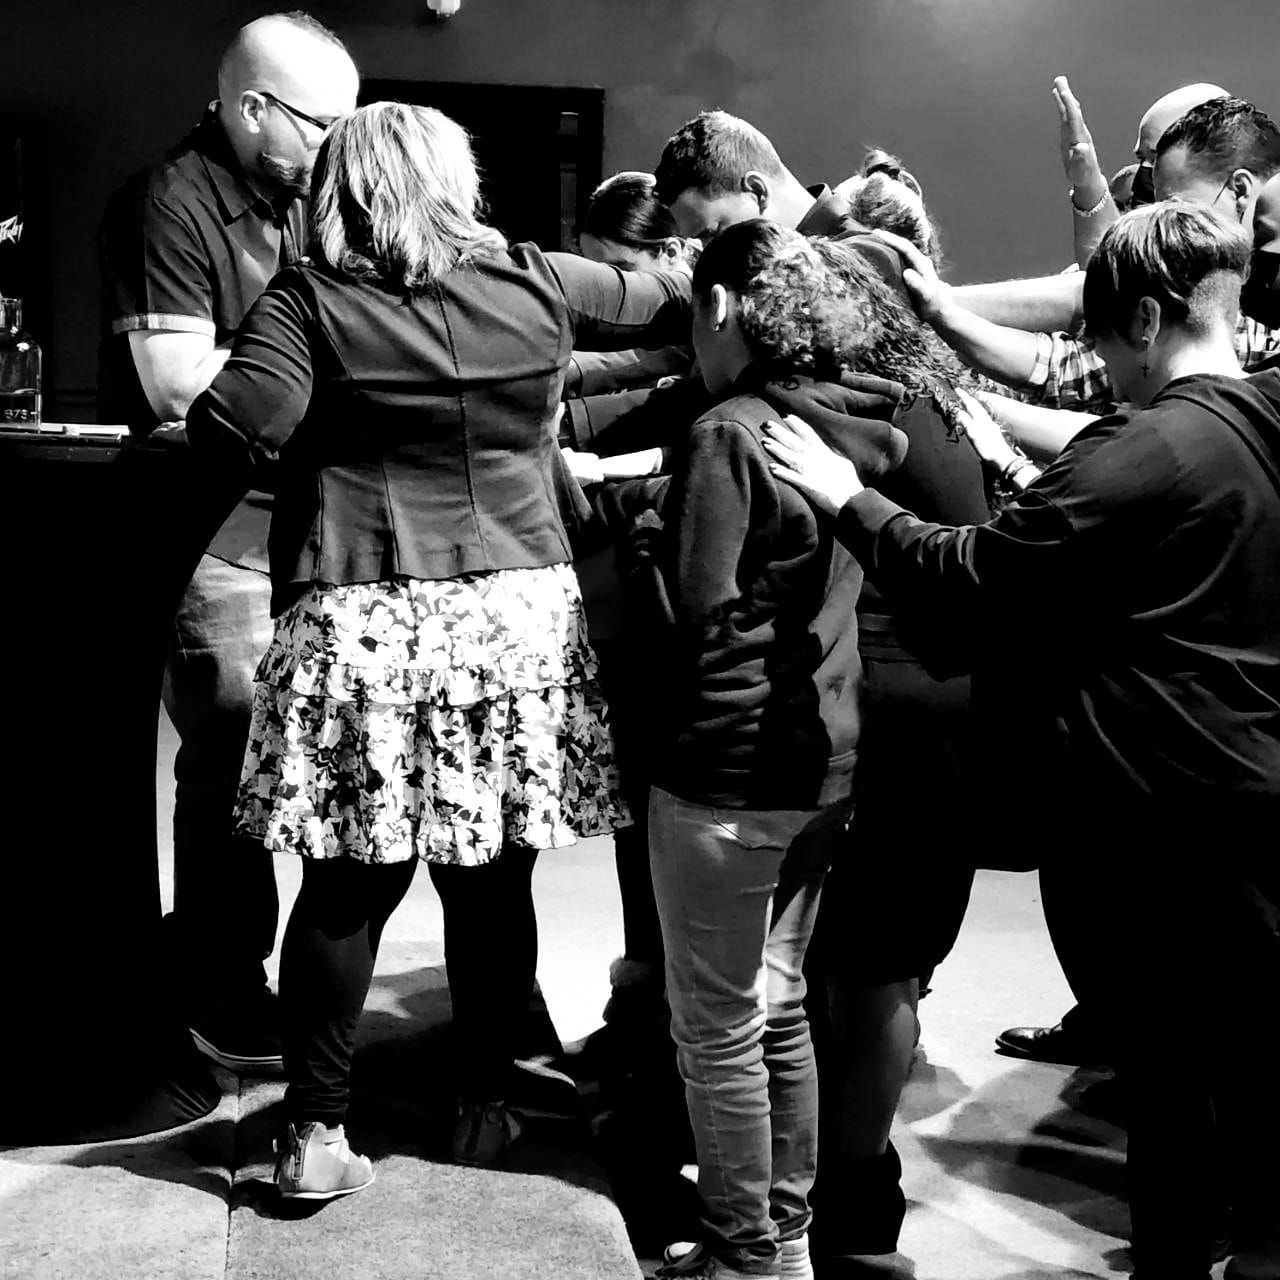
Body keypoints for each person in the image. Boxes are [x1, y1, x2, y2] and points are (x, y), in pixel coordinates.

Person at [183, 100, 693, 1198]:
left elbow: (233, 423)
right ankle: (486, 1104)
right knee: (490, 870)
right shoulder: (536, 278)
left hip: (359, 608)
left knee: (344, 883)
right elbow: (672, 292)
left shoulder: (311, 298)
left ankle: (315, 1130)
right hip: (511, 613)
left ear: (340, 185)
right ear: (451, 179)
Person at [763, 202, 1280, 1280]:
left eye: (1097, 343)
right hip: (1252, 783)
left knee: (1171, 1076)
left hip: (1162, 809)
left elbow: (977, 573)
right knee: (1250, 1058)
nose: (1093, 367)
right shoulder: (1258, 418)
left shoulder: (1150, 446)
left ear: (1142, 318)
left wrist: (846, 496)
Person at [637, 219, 917, 1280]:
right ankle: (783, 1237)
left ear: (716, 309)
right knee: (780, 998)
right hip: (823, 763)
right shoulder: (845, 421)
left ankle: (743, 1252)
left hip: (727, 765)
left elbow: (693, 609)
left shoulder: (726, 433)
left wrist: (641, 529)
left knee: (712, 1023)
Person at [97, 11, 360, 1074]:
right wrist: (327, 382)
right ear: (252, 108)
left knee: (275, 767)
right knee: (231, 758)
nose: (335, 145)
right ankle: (214, 981)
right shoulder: (173, 201)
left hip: (298, 522)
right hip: (214, 531)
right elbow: (170, 385)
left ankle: (238, 971)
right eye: (318, 122)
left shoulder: (300, 195)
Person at [568, 170, 695, 398]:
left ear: (671, 252)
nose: (606, 287)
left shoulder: (706, 326)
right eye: (593, 274)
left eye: (621, 272)